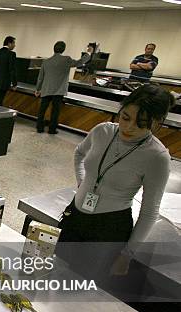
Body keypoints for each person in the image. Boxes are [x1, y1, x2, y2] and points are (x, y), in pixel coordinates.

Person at [58, 84, 173, 276]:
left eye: (141, 123)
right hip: (75, 216)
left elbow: (149, 211)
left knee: (80, 286)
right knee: (55, 271)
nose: (128, 127)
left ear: (158, 122)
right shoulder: (102, 131)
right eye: (125, 117)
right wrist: (82, 182)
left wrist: (127, 254)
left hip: (109, 227)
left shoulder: (157, 156)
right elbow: (79, 153)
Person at [35, 41, 91, 134]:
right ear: (63, 49)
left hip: (46, 89)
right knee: (55, 111)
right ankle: (52, 129)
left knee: (42, 110)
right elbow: (79, 62)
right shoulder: (66, 60)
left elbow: (40, 77)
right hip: (59, 90)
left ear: (54, 49)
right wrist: (88, 53)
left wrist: (37, 89)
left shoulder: (46, 61)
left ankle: (39, 128)